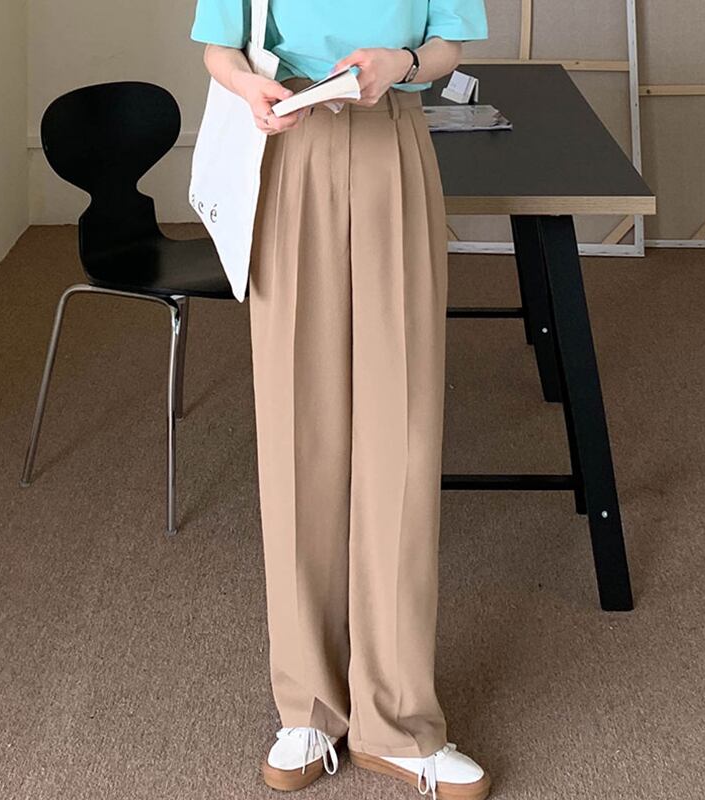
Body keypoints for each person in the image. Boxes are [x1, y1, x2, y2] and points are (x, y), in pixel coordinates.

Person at [190, 2, 490, 798]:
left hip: (392, 141)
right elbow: (218, 48)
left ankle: (398, 720)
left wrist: (405, 65)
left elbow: (450, 43)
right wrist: (247, 87)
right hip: (287, 149)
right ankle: (309, 709)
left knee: (403, 431)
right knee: (299, 429)